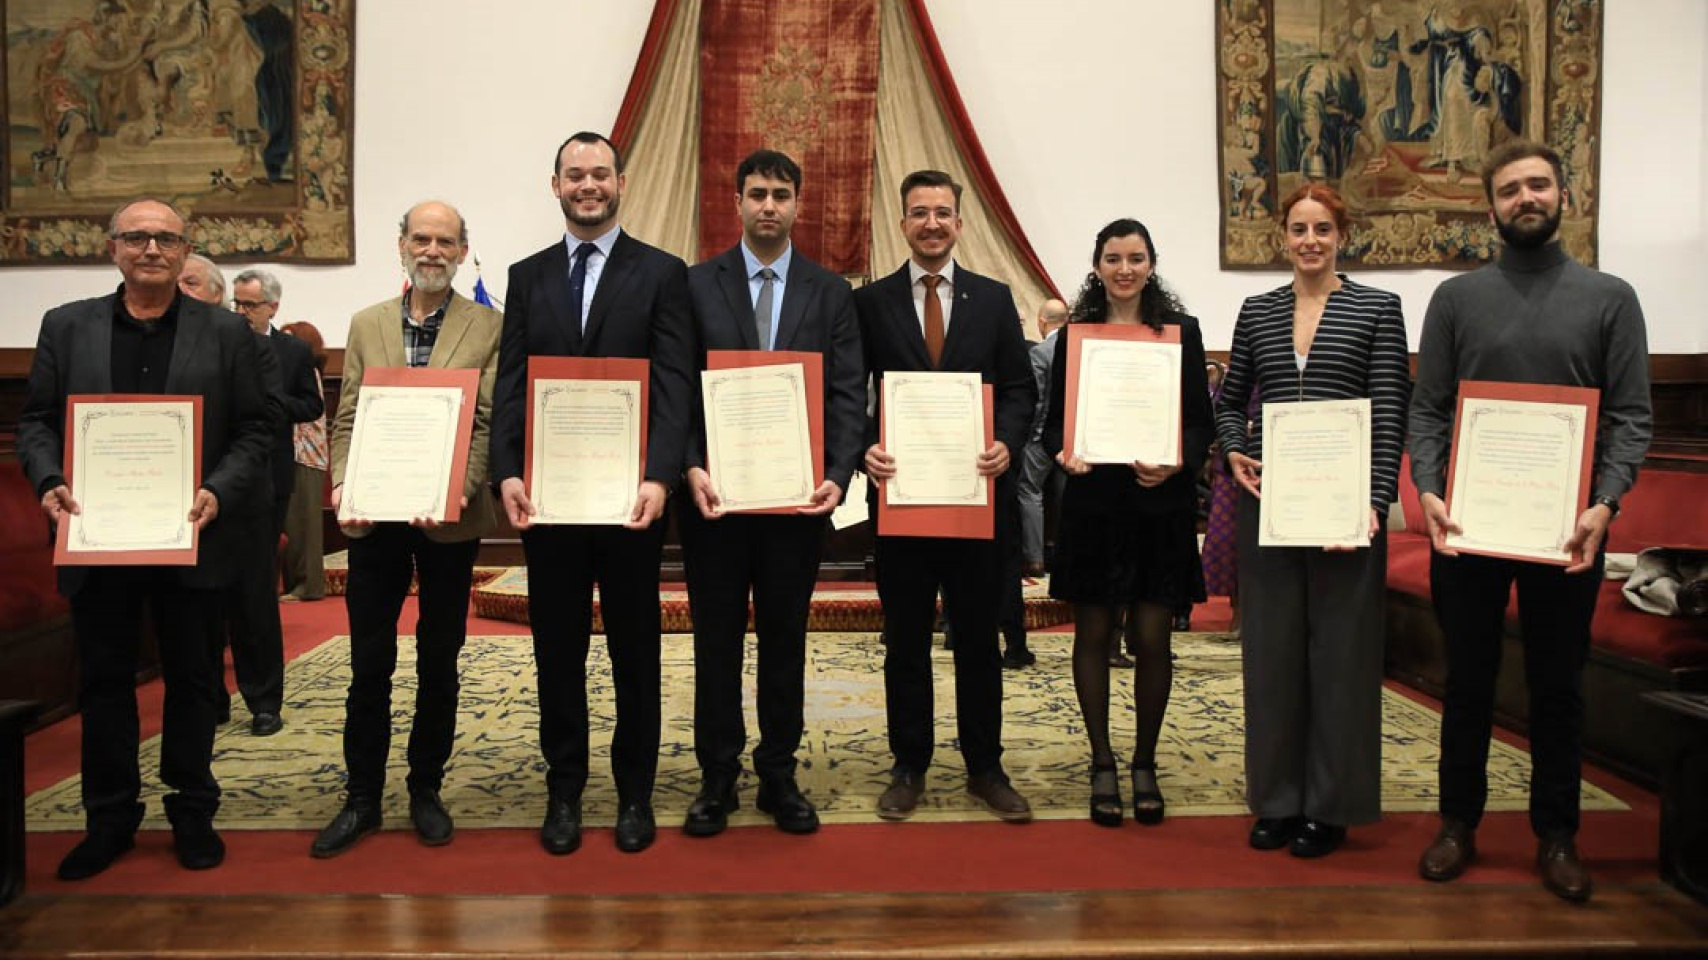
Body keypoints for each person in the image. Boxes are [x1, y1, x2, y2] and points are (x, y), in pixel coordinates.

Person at [1410, 141, 1651, 902]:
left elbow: (1631, 417)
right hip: (1470, 525)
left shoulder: (1611, 297)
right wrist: (1429, 490)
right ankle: (1457, 823)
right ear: (1491, 208)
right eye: (1510, 189)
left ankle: (1558, 835)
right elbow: (1429, 408)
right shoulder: (1456, 300)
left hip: (1567, 532)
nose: (1526, 197)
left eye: (1538, 184)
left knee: (1557, 687)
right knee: (1468, 680)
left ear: (1563, 197)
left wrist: (1604, 506)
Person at [17, 198, 271, 879]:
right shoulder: (67, 328)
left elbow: (254, 430)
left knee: (192, 681)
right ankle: (109, 817)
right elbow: (37, 421)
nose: (151, 249)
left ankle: (192, 812)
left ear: (186, 251)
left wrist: (217, 488)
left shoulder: (225, 334)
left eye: (165, 239)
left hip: (192, 534)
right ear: (113, 248)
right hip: (98, 540)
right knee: (103, 682)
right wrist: (47, 481)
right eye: (136, 238)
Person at [490, 132, 696, 855]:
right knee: (558, 651)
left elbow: (673, 383)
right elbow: (511, 381)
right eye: (575, 175)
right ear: (555, 185)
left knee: (636, 651)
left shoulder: (663, 273)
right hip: (547, 504)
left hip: (630, 505)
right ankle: (565, 789)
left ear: (621, 183)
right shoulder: (527, 275)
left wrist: (659, 477)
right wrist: (506, 471)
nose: (588, 185)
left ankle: (635, 793)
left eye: (600, 174)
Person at [1217, 184, 1411, 858]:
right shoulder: (1257, 311)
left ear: (1342, 236)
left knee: (1341, 660)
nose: (1309, 241)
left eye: (1322, 229)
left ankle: (1330, 807)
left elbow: (1389, 408)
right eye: (1298, 229)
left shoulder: (1377, 309)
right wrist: (1233, 446)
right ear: (1281, 236)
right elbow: (1231, 395)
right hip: (1270, 503)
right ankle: (1275, 801)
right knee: (1271, 657)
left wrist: (1375, 500)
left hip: (1344, 509)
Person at [678, 149, 864, 838]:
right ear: (736, 201)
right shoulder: (696, 285)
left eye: (781, 195)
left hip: (795, 505)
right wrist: (691, 465)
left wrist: (838, 475)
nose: (768, 206)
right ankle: (717, 774)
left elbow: (847, 394)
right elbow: (679, 389)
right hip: (715, 504)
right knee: (716, 642)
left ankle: (778, 772)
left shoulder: (830, 292)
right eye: (756, 193)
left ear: (798, 204)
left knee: (785, 640)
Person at [310, 201, 502, 858]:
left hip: (448, 520)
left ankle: (425, 787)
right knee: (370, 662)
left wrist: (454, 488)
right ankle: (361, 796)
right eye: (420, 237)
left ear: (461, 249)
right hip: (374, 519)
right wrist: (342, 485)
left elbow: (483, 424)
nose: (431, 250)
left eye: (445, 240)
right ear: (401, 245)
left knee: (438, 658)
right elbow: (349, 418)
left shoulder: (490, 326)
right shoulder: (366, 324)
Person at [856, 169, 1036, 823]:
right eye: (918, 212)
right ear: (902, 223)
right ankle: (909, 766)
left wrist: (1009, 444)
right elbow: (853, 392)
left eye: (942, 212)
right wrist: (862, 448)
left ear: (959, 222)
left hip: (974, 499)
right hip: (902, 502)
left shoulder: (993, 299)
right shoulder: (871, 303)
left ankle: (985, 767)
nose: (931, 223)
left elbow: (1019, 389)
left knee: (978, 640)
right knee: (904, 641)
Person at [1043, 219, 1212, 828]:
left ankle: (1145, 759)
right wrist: (1067, 452)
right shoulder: (1075, 338)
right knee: (1090, 636)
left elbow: (1200, 422)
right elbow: (1054, 426)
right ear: (1096, 266)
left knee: (1151, 638)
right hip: (1094, 506)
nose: (1124, 269)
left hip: (1157, 508)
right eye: (1112, 258)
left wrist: (1176, 463)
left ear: (1151, 264)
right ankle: (1102, 760)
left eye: (1135, 258)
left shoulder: (1179, 334)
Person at [225, 268, 321, 736]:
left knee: (256, 588)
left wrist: (274, 403)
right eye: (236, 304)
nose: (241, 312)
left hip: (269, 477)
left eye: (249, 305)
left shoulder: (293, 351)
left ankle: (264, 700)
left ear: (272, 308)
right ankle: (210, 695)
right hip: (215, 477)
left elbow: (311, 405)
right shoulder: (217, 341)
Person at [278, 320, 328, 602]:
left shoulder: (307, 373)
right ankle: (294, 582)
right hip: (291, 454)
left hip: (306, 455)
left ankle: (308, 585)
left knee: (304, 526)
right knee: (291, 523)